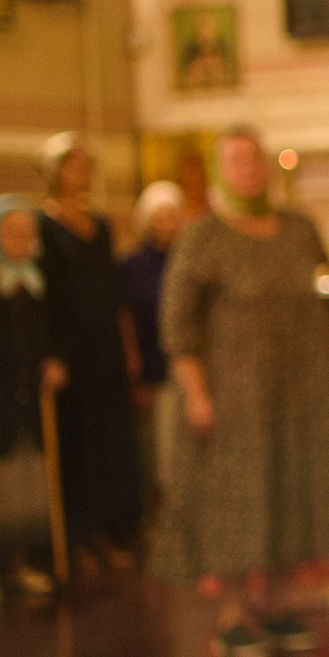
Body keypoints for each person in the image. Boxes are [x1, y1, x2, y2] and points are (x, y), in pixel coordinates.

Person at [154, 126, 329, 657]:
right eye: (236, 160)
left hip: (299, 389)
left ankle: (280, 601)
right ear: (221, 170)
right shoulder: (203, 237)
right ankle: (235, 614)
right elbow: (179, 325)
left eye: (255, 159)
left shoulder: (298, 229)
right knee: (235, 500)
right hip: (233, 396)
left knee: (292, 488)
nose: (249, 169)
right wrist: (196, 394)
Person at [35, 134, 144, 572]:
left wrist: (129, 348)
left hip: (106, 348)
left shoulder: (99, 224)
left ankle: (112, 531)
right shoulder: (44, 224)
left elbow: (115, 294)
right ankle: (79, 538)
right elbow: (47, 295)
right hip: (70, 350)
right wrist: (50, 353)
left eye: (86, 164)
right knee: (77, 445)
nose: (82, 172)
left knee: (111, 442)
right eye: (72, 164)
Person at [0, 195, 57, 599]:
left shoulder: (36, 280)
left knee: (29, 482)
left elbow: (46, 331)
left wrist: (51, 360)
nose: (20, 240)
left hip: (31, 394)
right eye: (11, 232)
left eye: (27, 232)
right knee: (1, 486)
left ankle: (26, 561)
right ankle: (0, 567)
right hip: (0, 395)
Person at [121, 182, 186, 516]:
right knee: (160, 449)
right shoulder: (134, 265)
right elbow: (127, 316)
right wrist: (135, 365)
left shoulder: (188, 258)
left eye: (172, 216)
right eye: (159, 216)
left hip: (187, 362)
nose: (166, 223)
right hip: (154, 363)